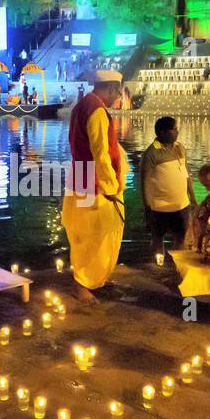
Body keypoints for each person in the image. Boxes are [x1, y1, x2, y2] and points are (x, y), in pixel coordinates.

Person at [62, 70, 125, 302]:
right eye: (117, 92)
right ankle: (84, 284)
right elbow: (101, 153)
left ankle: (91, 280)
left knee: (84, 233)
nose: (118, 96)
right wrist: (110, 187)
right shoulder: (97, 110)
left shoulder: (83, 105)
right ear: (110, 88)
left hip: (81, 176)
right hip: (95, 183)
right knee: (94, 235)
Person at [137, 116, 196, 259]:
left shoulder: (179, 148)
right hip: (159, 208)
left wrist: (192, 197)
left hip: (182, 205)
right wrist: (148, 208)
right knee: (157, 239)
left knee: (182, 238)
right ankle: (158, 267)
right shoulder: (151, 153)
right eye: (174, 129)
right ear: (162, 132)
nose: (177, 132)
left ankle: (176, 264)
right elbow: (146, 182)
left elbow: (185, 172)